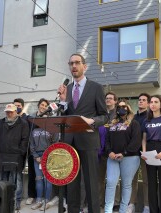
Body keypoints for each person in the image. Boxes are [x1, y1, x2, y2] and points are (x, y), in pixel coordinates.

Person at [57, 53, 108, 213]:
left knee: (91, 182)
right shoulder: (68, 89)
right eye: (71, 63)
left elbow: (105, 116)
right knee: (72, 183)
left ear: (84, 66)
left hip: (88, 142)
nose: (74, 66)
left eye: (77, 63)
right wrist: (64, 101)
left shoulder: (96, 88)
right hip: (70, 142)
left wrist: (92, 121)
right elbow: (67, 116)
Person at [104, 99, 141, 213]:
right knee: (111, 182)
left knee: (126, 184)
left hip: (129, 157)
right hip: (113, 158)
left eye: (124, 106)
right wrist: (109, 151)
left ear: (128, 108)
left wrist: (124, 153)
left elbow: (136, 141)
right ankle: (108, 210)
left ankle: (123, 210)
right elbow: (107, 140)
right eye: (119, 107)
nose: (122, 109)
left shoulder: (134, 123)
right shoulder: (113, 123)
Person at [0, 103, 29, 210]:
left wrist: (20, 151)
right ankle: (3, 200)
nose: (9, 113)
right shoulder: (0, 122)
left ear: (16, 112)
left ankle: (16, 201)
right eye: (7, 112)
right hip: (1, 155)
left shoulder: (23, 123)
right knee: (2, 180)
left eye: (11, 112)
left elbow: (25, 139)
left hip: (16, 156)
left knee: (17, 181)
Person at [141, 95, 161, 213]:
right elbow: (144, 139)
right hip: (150, 150)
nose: (153, 104)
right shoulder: (146, 120)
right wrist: (144, 152)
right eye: (151, 102)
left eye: (156, 102)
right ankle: (153, 210)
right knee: (151, 183)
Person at [30, 98, 59, 210]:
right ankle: (39, 200)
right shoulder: (34, 130)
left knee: (48, 179)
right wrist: (36, 156)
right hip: (36, 158)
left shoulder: (53, 129)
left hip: (48, 157)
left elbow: (55, 144)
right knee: (38, 179)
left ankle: (46, 201)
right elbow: (31, 145)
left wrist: (46, 156)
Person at [13, 98, 37, 206]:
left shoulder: (28, 118)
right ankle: (14, 197)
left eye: (18, 105)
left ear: (22, 106)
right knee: (16, 174)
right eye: (15, 105)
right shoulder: (12, 117)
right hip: (16, 151)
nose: (16, 107)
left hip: (28, 149)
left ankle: (30, 196)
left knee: (31, 173)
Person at [132, 92, 151, 213]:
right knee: (131, 180)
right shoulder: (133, 117)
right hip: (133, 153)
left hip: (146, 153)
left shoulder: (151, 117)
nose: (141, 101)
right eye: (139, 100)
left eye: (144, 100)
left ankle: (147, 206)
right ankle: (131, 204)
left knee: (146, 181)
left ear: (148, 103)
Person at [98, 91, 118, 208]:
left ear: (115, 101)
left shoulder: (118, 114)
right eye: (106, 98)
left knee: (113, 180)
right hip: (101, 151)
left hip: (113, 151)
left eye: (111, 98)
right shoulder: (101, 114)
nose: (108, 100)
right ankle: (100, 202)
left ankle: (115, 203)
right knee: (99, 179)